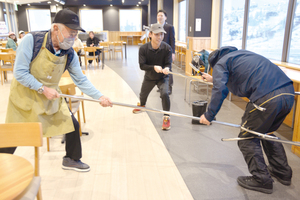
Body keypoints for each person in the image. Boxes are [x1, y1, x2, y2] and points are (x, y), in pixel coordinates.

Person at [1, 9, 112, 172]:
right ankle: (2, 163)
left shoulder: (70, 54)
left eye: (75, 33)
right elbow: (20, 72)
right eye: (70, 32)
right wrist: (42, 88)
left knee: (72, 124)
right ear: (55, 29)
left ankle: (71, 159)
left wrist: (100, 96)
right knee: (13, 134)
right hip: (25, 96)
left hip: (50, 96)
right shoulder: (32, 41)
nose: (73, 37)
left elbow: (80, 79)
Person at [199, 46, 294, 194]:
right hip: (288, 94)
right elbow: (238, 79)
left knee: (247, 138)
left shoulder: (220, 63)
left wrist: (209, 115)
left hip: (266, 97)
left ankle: (261, 179)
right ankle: (281, 171)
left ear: (213, 63)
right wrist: (214, 79)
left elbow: (220, 89)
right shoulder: (241, 55)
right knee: (267, 133)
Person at [133, 23, 172, 130]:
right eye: (156, 35)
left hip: (162, 77)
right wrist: (153, 67)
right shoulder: (143, 49)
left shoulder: (167, 48)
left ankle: (166, 117)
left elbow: (168, 64)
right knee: (142, 95)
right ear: (150, 34)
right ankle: (142, 105)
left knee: (165, 94)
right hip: (149, 77)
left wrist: (167, 68)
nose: (159, 37)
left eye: (161, 35)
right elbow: (142, 66)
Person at [157, 9, 175, 95]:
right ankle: (161, 86)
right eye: (158, 16)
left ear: (165, 17)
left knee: (168, 69)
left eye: (161, 16)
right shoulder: (156, 27)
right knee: (160, 69)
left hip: (167, 52)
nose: (160, 17)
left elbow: (172, 40)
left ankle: (169, 87)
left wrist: (173, 53)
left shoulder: (169, 27)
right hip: (158, 52)